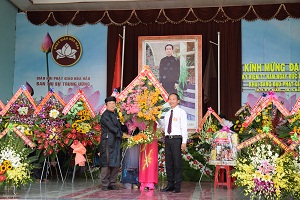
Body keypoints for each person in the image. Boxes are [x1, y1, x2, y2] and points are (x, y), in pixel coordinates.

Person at [98, 96, 129, 191]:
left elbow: (120, 126)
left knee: (116, 162)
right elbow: (112, 128)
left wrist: (128, 128)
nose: (112, 105)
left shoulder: (116, 114)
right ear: (106, 105)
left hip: (116, 141)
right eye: (110, 104)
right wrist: (123, 134)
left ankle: (112, 182)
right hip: (108, 141)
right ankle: (105, 184)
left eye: (113, 103)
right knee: (107, 162)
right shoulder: (105, 115)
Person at [160, 93, 188, 193]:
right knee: (169, 163)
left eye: (173, 99)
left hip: (177, 140)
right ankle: (170, 184)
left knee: (177, 163)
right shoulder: (167, 114)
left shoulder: (181, 112)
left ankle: (177, 185)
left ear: (178, 101)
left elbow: (184, 128)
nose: (171, 101)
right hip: (168, 139)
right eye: (170, 99)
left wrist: (184, 142)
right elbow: (164, 127)